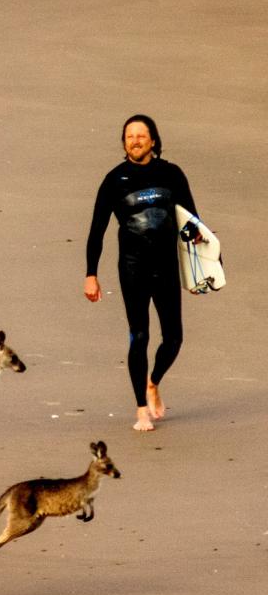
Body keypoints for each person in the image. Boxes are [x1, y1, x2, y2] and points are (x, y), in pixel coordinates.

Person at [84, 115, 198, 432]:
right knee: (140, 336)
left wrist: (199, 268)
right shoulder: (114, 180)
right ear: (124, 143)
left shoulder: (171, 174)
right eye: (130, 136)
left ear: (153, 141)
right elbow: (97, 230)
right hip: (133, 267)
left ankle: (153, 383)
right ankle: (140, 410)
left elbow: (192, 222)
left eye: (141, 135)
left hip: (166, 267)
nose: (135, 140)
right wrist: (91, 273)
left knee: (174, 337)